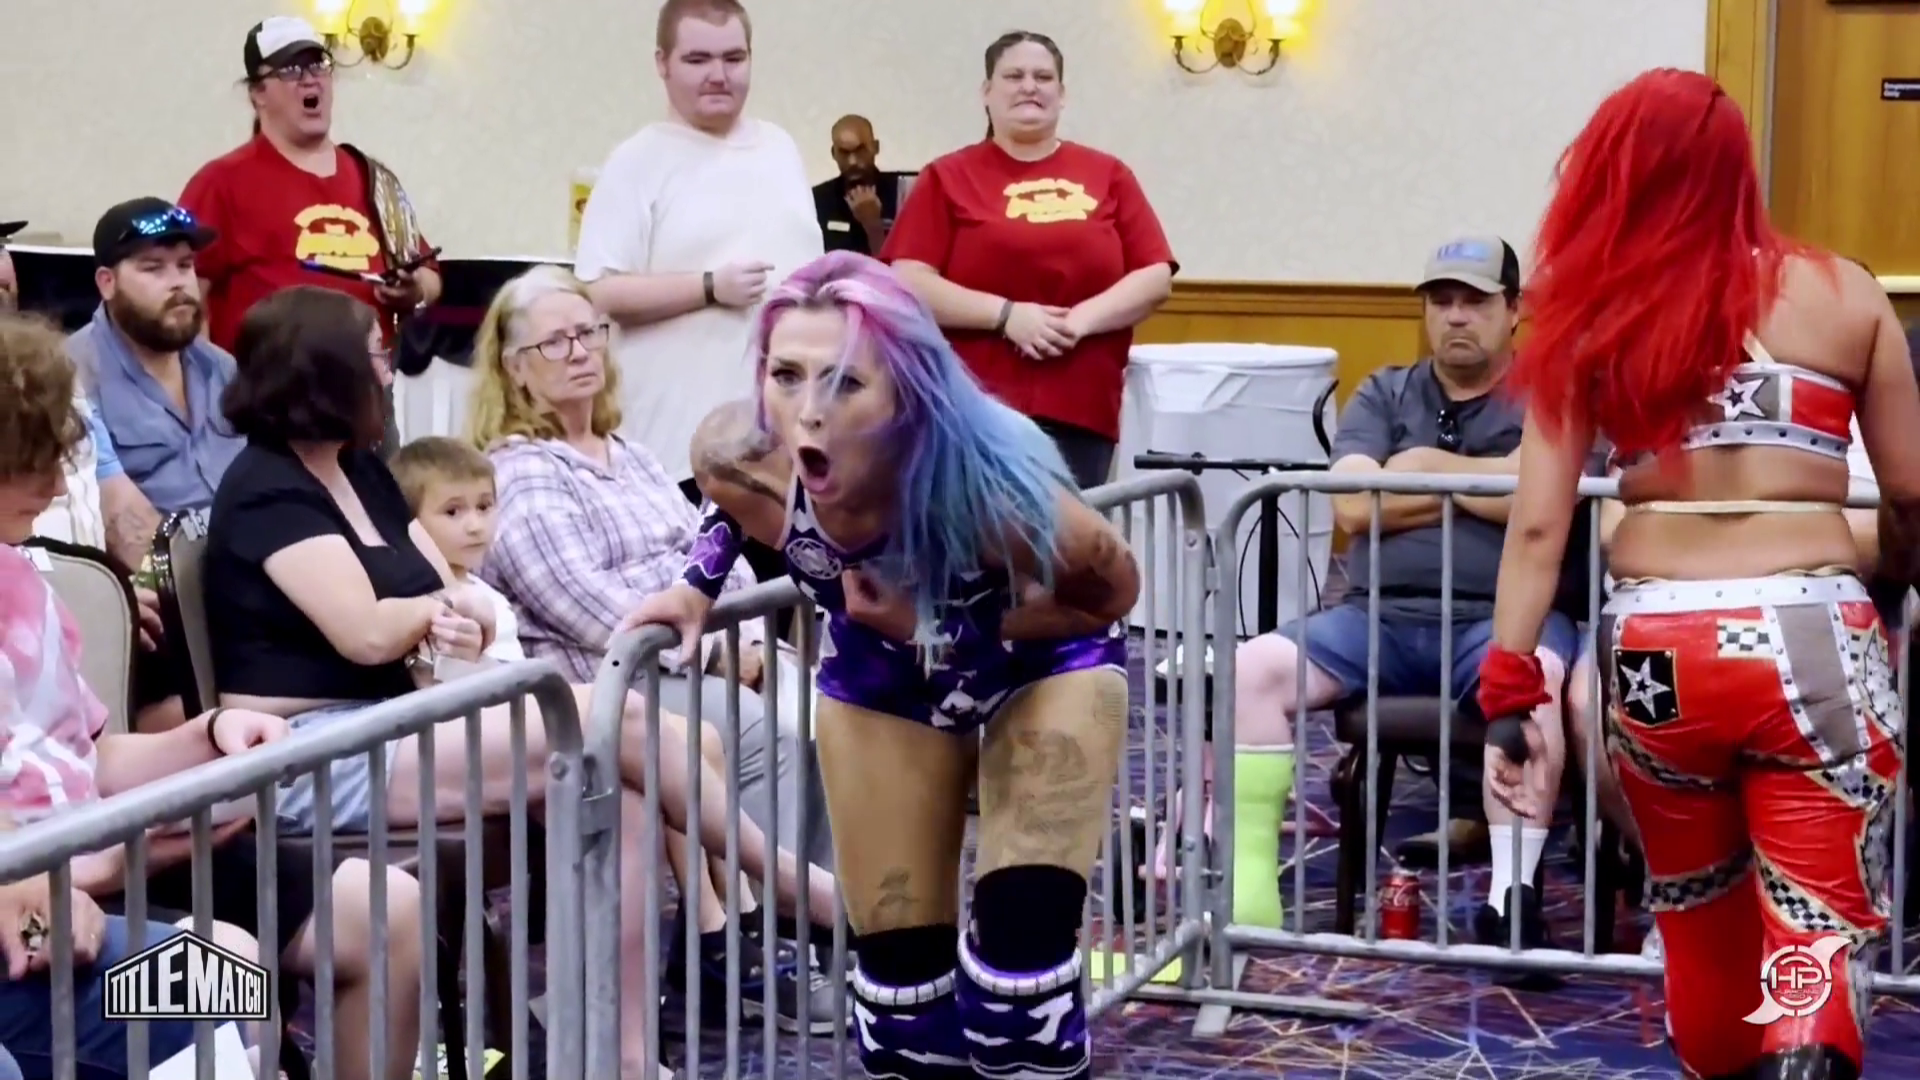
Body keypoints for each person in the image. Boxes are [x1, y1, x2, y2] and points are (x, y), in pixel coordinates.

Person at [201, 286, 834, 1076]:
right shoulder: (265, 489)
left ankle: (620, 1056)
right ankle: (780, 879)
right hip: (305, 749)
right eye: (374, 355)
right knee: (616, 723)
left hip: (401, 714)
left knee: (622, 784)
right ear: (323, 370)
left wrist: (448, 616)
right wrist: (434, 612)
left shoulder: (360, 470)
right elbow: (365, 632)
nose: (388, 369)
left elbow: (442, 593)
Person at [1478, 68, 1920, 1080]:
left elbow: (1539, 527)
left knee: (1697, 914)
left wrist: (1509, 684)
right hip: (1815, 639)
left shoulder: (1594, 316)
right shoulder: (1845, 294)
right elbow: (1909, 490)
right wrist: (1895, 569)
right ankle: (1805, 1053)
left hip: (1656, 653)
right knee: (1813, 924)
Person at [624, 251, 1140, 1080]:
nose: (808, 412)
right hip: (883, 676)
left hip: (1042, 662)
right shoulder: (740, 456)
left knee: (1019, 984)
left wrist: (935, 621)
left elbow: (1112, 595)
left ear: (907, 392)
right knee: (901, 1008)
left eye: (845, 382)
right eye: (786, 376)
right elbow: (726, 506)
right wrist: (694, 589)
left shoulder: (998, 493)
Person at [457, 269, 838, 1030]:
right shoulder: (519, 471)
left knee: (833, 710)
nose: (580, 352)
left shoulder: (630, 454)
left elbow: (718, 556)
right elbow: (589, 609)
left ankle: (810, 933)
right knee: (759, 732)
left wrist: (749, 640)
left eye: (589, 333)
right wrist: (723, 654)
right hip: (605, 687)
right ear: (513, 366)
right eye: (556, 342)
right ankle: (754, 948)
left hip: (694, 656)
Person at [1228, 236, 1580, 940]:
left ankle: (1511, 902)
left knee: (1536, 680)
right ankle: (1249, 894)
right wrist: (1496, 483)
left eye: (1475, 301)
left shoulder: (1550, 392)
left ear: (1514, 310)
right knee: (1250, 669)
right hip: (1377, 620)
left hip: (1502, 622)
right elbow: (1354, 508)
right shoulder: (1385, 391)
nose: (1455, 316)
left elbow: (1548, 502)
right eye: (1441, 301)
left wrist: (1420, 468)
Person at [882, 31, 1176, 490]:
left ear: (1062, 93)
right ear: (987, 92)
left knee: (1070, 530)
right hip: (972, 407)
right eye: (1013, 76)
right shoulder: (947, 176)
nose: (1029, 87)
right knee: (980, 532)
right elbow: (908, 278)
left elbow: (1154, 275)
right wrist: (1007, 317)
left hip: (1081, 406)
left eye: (1043, 77)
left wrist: (1077, 322)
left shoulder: (1108, 174)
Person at [69, 198, 245, 522]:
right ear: (107, 283)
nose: (179, 282)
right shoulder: (71, 378)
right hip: (157, 551)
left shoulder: (221, 366)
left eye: (185, 265)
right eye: (154, 268)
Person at [390, 437, 525, 663]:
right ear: (409, 520)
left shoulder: (492, 597)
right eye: (452, 512)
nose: (476, 526)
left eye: (484, 506)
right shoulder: (418, 605)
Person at [812, 115, 915, 257]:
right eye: (844, 153)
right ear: (834, 154)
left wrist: (873, 226)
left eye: (860, 150)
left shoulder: (903, 193)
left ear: (875, 148)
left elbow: (904, 265)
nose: (853, 161)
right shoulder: (817, 201)